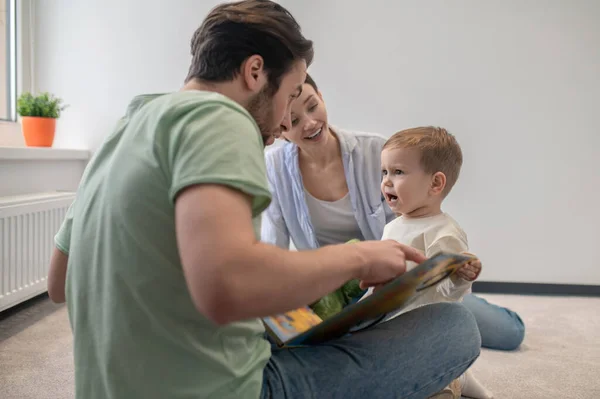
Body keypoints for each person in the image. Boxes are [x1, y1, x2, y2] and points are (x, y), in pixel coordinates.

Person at [46, 1, 481, 398]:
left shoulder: (127, 126)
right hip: (227, 389)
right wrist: (361, 259)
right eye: (290, 95)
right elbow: (228, 285)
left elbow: (59, 282)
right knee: (454, 327)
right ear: (255, 72)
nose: (283, 124)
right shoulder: (219, 115)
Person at [261, 73, 525, 352]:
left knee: (507, 334)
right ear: (280, 126)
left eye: (313, 106)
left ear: (322, 97)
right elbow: (272, 247)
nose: (310, 123)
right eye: (295, 119)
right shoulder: (274, 168)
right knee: (303, 339)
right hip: (330, 286)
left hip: (393, 284)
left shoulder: (376, 150)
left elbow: (412, 223)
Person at [371, 126, 494, 398]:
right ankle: (461, 375)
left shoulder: (443, 232)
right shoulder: (394, 227)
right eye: (385, 172)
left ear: (435, 184)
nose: (387, 181)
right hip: (393, 324)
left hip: (427, 329)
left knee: (432, 387)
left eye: (398, 172)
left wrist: (461, 276)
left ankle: (456, 378)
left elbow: (450, 295)